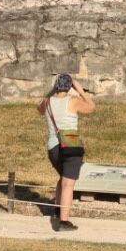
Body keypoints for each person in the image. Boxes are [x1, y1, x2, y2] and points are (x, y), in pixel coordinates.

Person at [37, 73, 95, 231]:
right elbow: (91, 107)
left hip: (53, 147)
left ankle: (58, 210)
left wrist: (51, 91)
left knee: (62, 178)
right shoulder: (73, 101)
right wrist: (81, 91)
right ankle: (63, 222)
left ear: (56, 85)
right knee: (68, 184)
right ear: (70, 87)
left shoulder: (47, 102)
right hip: (70, 145)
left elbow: (39, 109)